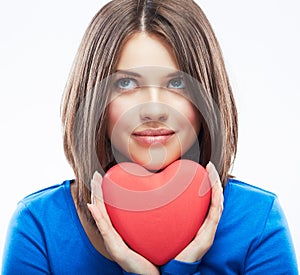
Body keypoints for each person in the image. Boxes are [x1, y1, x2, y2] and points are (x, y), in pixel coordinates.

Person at [2, 0, 298, 274]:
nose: (154, 109)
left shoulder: (257, 221)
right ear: (94, 100)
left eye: (177, 82)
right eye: (126, 83)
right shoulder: (39, 225)